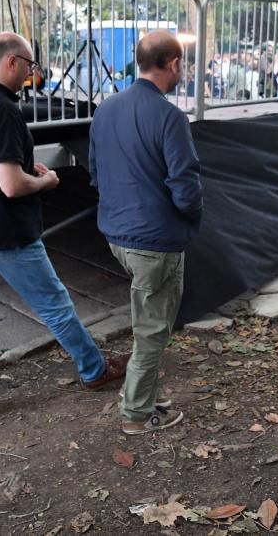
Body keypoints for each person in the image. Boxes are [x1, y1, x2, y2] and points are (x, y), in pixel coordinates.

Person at [0, 33, 127, 427]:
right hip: (6, 232)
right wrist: (48, 181)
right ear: (13, 63)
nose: (32, 75)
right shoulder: (3, 110)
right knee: (54, 303)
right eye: (31, 66)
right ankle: (93, 369)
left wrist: (21, 171)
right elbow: (10, 185)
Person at [89, 30, 202, 435]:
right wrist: (190, 218)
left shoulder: (105, 110)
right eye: (182, 64)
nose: (182, 70)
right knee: (152, 330)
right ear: (172, 64)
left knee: (147, 320)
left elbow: (96, 172)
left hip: (118, 235)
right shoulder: (169, 117)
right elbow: (186, 187)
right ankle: (137, 414)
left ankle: (145, 396)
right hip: (156, 241)